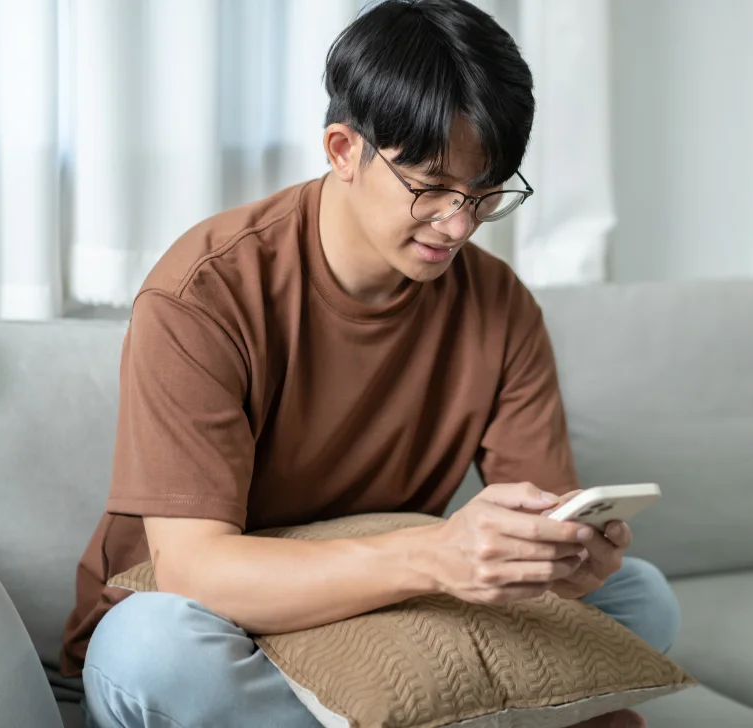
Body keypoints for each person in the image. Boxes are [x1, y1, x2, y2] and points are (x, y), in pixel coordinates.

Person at [61, 1, 680, 726]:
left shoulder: (500, 305)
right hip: (228, 619)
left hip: (388, 613)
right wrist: (431, 555)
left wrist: (567, 560)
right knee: (150, 655)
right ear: (342, 150)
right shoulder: (204, 293)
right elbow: (195, 570)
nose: (458, 226)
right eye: (430, 188)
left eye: (485, 196)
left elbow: (535, 523)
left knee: (640, 598)